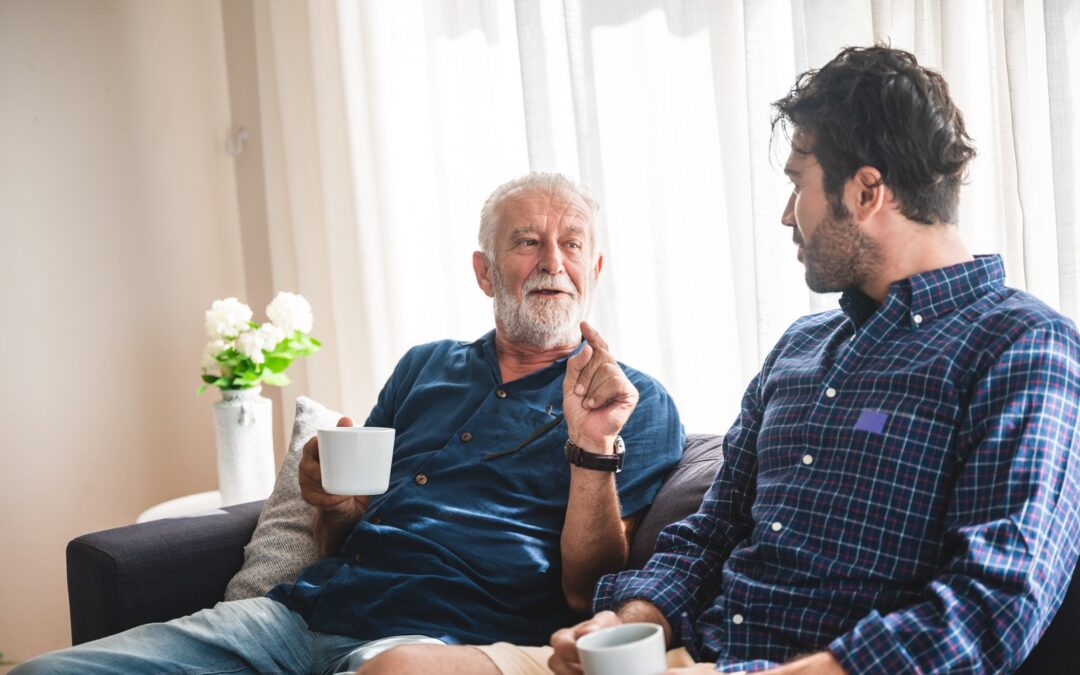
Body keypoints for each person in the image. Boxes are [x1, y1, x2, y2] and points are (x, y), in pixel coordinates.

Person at [472, 46, 1080, 675]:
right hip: (694, 657)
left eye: (798, 184)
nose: (787, 215)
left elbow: (991, 608)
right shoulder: (801, 347)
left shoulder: (1022, 347)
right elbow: (711, 535)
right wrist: (627, 624)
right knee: (399, 667)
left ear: (867, 190)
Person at [14, 173, 684, 674]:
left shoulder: (633, 401)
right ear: (484, 272)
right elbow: (345, 532)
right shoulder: (426, 367)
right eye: (527, 242)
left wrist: (592, 444)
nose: (551, 262)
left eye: (571, 244)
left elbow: (585, 588)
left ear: (594, 270)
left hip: (444, 639)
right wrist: (329, 503)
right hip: (301, 613)